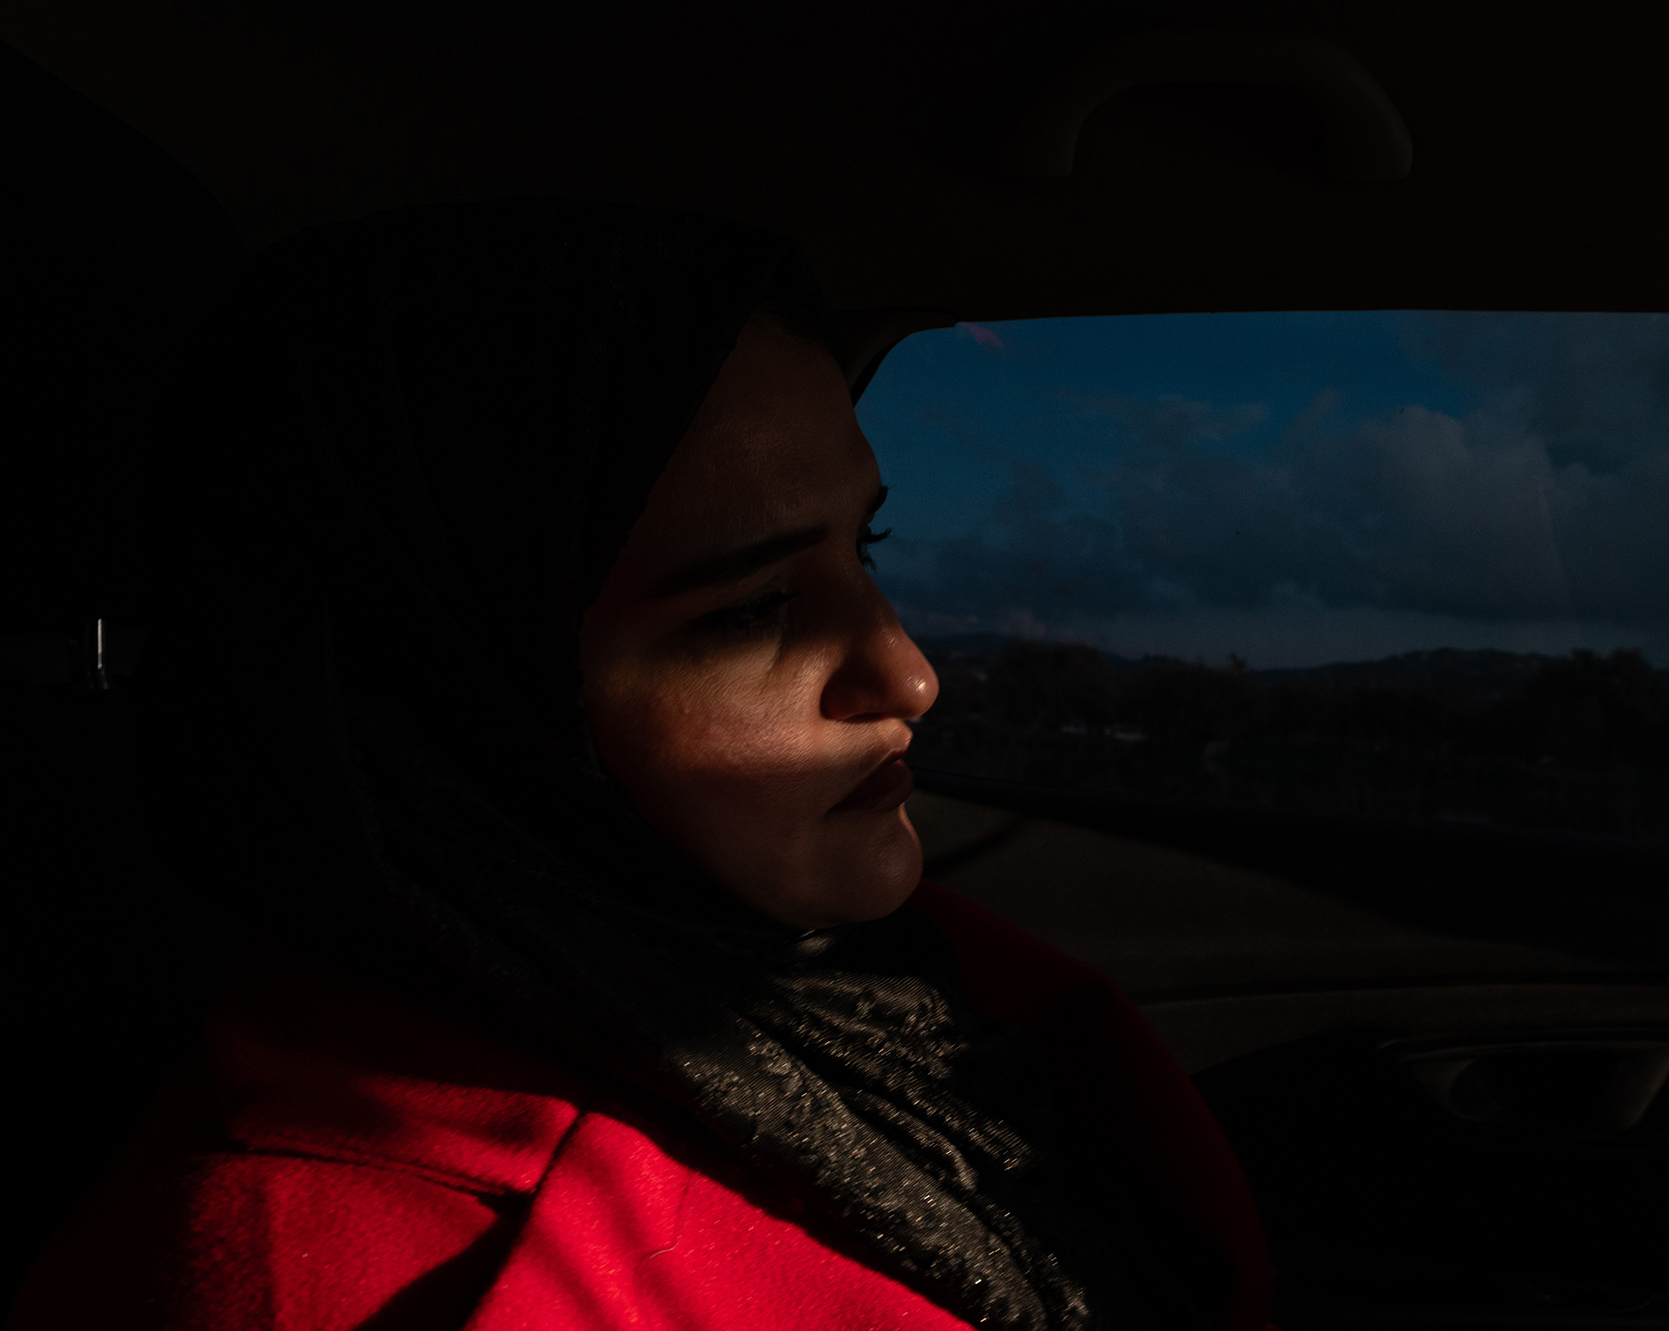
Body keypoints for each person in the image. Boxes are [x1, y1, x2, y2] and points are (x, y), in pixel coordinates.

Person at [8, 199, 1272, 1331]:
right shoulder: (326, 1276)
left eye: (866, 547)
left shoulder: (856, 991)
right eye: (747, 610)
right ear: (455, 701)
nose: (910, 674)